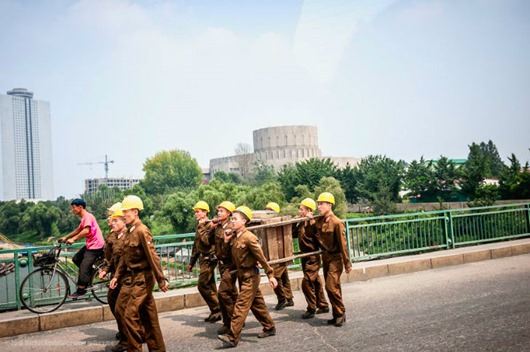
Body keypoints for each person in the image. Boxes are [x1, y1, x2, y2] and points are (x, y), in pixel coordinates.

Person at [109, 195, 169, 352]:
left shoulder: (142, 231)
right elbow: (124, 257)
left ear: (135, 211)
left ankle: (134, 349)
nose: (123, 215)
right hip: (133, 277)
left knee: (129, 315)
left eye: (126, 212)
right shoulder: (130, 231)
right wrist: (116, 276)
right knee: (148, 318)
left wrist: (161, 280)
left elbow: (153, 256)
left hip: (144, 278)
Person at [218, 206, 278, 348]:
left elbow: (261, 258)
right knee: (257, 304)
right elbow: (225, 256)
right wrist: (226, 241)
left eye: (235, 219)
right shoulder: (234, 236)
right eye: (232, 219)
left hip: (251, 276)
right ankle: (269, 327)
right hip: (241, 275)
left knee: (241, 306)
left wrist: (270, 275)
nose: (232, 221)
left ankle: (233, 337)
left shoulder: (249, 238)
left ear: (244, 221)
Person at [313, 192, 352, 327]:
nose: (319, 206)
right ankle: (337, 315)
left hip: (336, 259)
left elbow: (343, 244)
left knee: (330, 286)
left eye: (321, 204)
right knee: (334, 287)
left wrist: (347, 262)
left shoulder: (337, 222)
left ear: (329, 205)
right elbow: (314, 230)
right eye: (318, 204)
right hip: (326, 258)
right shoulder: (321, 221)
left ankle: (341, 312)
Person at [292, 198, 329, 319]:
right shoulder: (302, 222)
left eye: (301, 209)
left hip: (312, 256)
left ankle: (311, 307)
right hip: (305, 256)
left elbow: (319, 235)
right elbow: (293, 235)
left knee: (306, 282)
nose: (300, 211)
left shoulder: (313, 222)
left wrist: (311, 221)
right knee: (316, 281)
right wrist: (294, 221)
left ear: (308, 210)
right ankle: (323, 305)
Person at [61, 198, 105, 299]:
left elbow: (86, 230)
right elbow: (78, 229)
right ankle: (92, 274)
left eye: (74, 208)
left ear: (80, 207)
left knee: (84, 267)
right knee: (76, 259)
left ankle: (81, 289)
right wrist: (66, 237)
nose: (72, 210)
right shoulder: (84, 218)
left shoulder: (88, 216)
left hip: (96, 246)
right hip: (90, 245)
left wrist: (73, 240)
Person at [98, 203, 128, 347]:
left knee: (122, 307)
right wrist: (105, 269)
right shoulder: (114, 234)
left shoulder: (128, 235)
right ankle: (127, 332)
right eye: (111, 217)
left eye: (114, 217)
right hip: (116, 274)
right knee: (114, 302)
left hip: (125, 276)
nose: (110, 219)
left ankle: (128, 337)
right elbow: (111, 257)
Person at [187, 201, 221, 323]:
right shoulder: (200, 225)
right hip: (202, 259)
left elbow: (207, 241)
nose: (196, 214)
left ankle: (218, 308)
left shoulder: (209, 225)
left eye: (198, 212)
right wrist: (191, 262)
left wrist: (202, 227)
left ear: (205, 212)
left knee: (202, 285)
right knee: (211, 286)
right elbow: (196, 245)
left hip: (209, 259)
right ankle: (215, 312)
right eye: (195, 212)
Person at [210, 201, 238, 335]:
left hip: (230, 265)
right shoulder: (219, 226)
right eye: (218, 211)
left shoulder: (231, 227)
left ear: (229, 213)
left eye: (222, 211)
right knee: (232, 293)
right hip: (222, 264)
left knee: (223, 293)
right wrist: (211, 227)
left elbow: (230, 248)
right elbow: (210, 242)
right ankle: (238, 319)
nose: (219, 213)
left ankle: (229, 323)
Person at [265, 202, 293, 310]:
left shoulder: (280, 222)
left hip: (279, 254)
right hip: (277, 254)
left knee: (275, 276)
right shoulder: (269, 222)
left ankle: (282, 299)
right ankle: (289, 298)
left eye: (270, 211)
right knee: (284, 277)